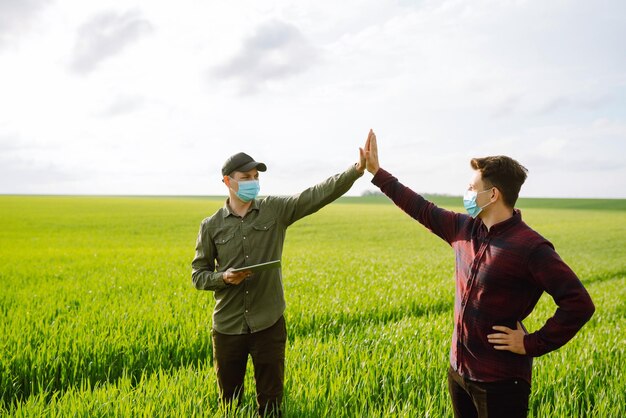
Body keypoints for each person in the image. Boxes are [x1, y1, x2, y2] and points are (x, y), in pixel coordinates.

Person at [362, 130, 595, 418]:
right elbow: (420, 208)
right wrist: (377, 172)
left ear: (493, 194)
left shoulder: (531, 247)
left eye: (472, 187)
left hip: (500, 383)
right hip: (459, 373)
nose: (468, 194)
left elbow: (579, 303)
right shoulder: (463, 229)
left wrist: (530, 343)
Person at [192, 146, 366, 416]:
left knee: (272, 404)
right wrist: (224, 277)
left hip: (269, 324)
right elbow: (198, 275)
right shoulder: (211, 225)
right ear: (227, 181)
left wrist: (355, 171)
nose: (253, 182)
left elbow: (315, 195)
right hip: (227, 328)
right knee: (229, 404)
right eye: (245, 177)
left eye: (255, 177)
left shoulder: (275, 210)